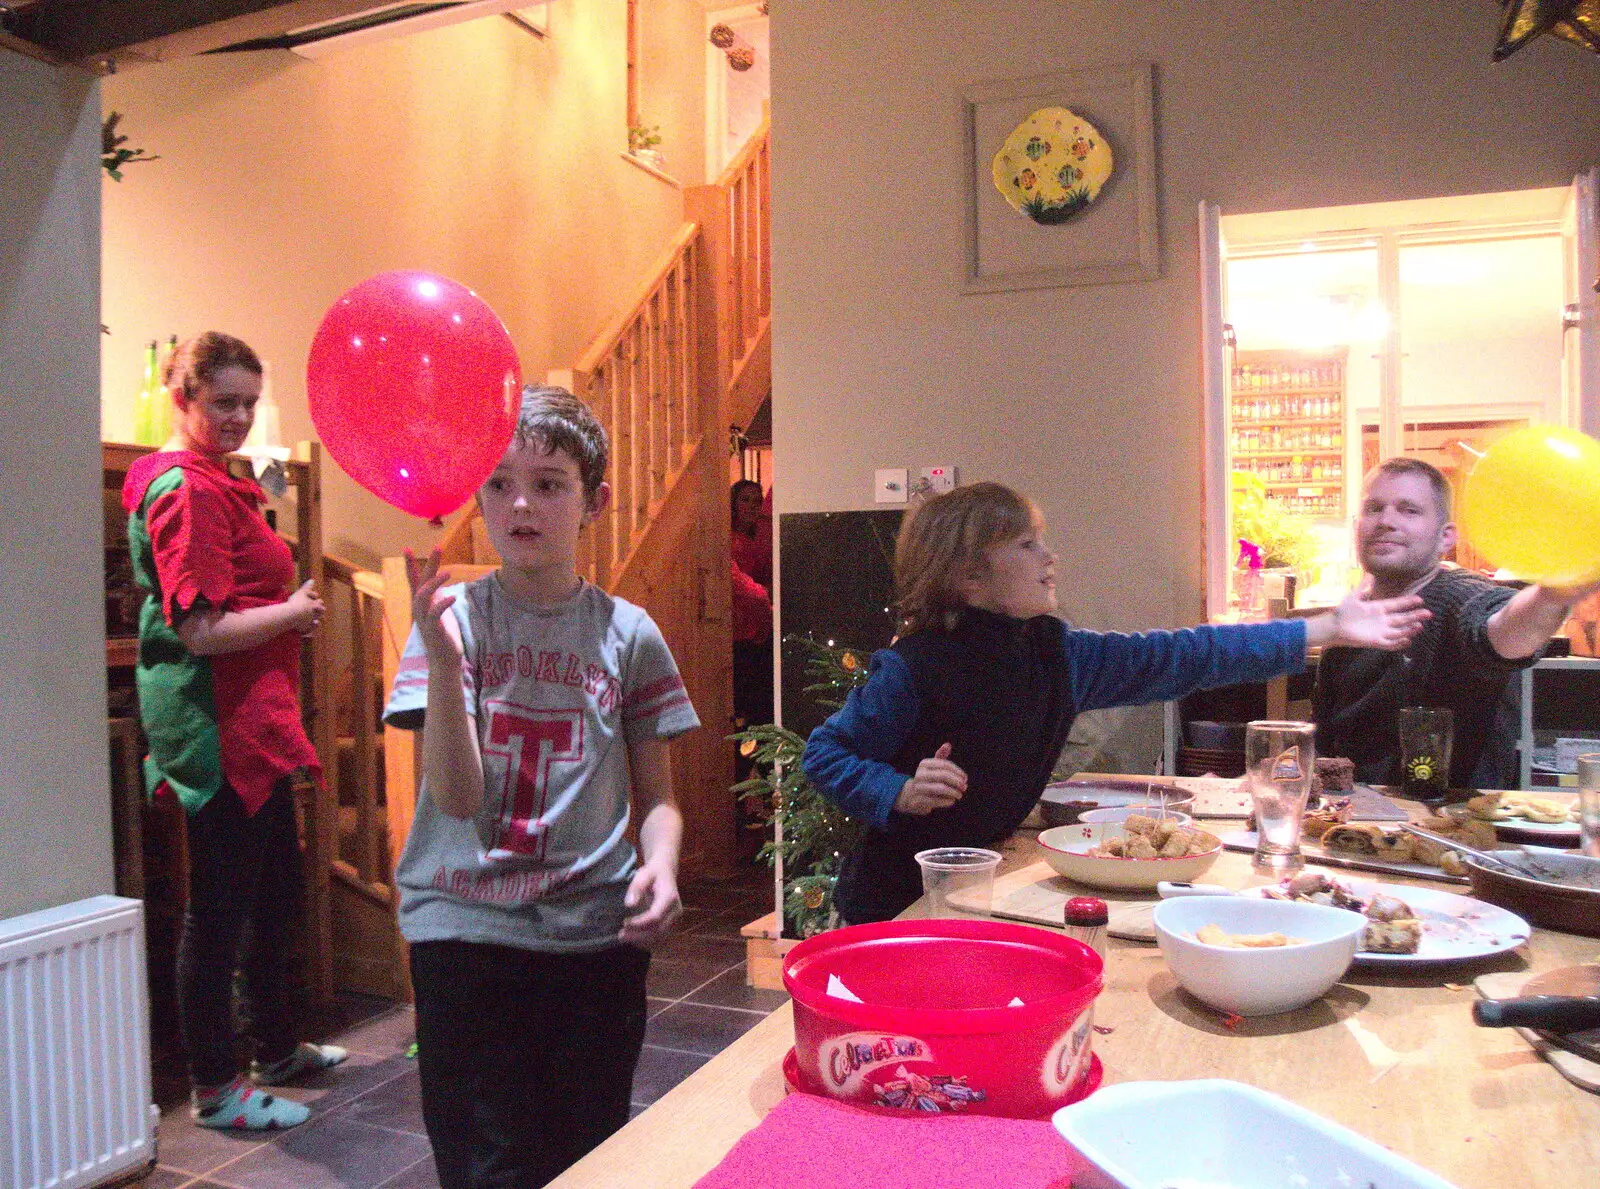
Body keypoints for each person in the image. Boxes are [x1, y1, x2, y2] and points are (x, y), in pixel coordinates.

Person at [802, 482, 1432, 925]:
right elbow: (825, 753)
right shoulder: (912, 669)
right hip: (891, 907)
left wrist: (1322, 630)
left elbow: (1183, 655)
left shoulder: (1058, 655)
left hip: (976, 893)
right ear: (970, 575)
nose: (1049, 556)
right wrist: (895, 789)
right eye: (1026, 545)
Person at [384, 386, 698, 1189]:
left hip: (594, 935)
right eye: (499, 482)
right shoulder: (449, 621)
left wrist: (659, 865)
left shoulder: (631, 634)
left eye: (549, 483)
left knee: (590, 1152)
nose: (521, 502)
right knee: (489, 1163)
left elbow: (658, 797)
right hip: (466, 933)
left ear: (592, 501)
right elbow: (454, 797)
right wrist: (447, 665)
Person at [122, 331, 344, 1131]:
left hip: (254, 723)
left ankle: (275, 1047)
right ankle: (215, 1088)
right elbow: (201, 630)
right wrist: (292, 612)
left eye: (250, 401)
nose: (241, 417)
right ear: (183, 399)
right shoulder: (185, 488)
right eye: (224, 402)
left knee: (273, 890)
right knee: (218, 910)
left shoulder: (221, 478)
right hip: (214, 728)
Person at [1313, 456, 1600, 788]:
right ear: (1357, 527)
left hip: (1450, 830)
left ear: (1446, 538)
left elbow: (1504, 633)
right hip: (1352, 822)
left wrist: (1553, 594)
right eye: (1374, 509)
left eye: (1409, 510)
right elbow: (1322, 738)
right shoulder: (1350, 616)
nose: (1386, 521)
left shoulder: (1459, 596)